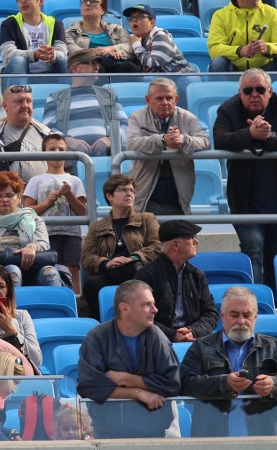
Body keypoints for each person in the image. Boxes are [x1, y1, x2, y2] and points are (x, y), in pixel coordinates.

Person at [180, 286, 277, 437]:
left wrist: (275, 385)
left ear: (255, 317)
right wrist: (224, 384)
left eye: (247, 315)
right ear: (222, 315)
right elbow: (184, 384)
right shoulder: (201, 347)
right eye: (234, 315)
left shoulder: (276, 348)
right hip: (213, 442)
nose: (241, 321)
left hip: (265, 443)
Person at [214, 68, 277, 290]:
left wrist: (268, 136)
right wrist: (250, 135)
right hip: (245, 201)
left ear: (270, 91)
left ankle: (276, 304)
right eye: (248, 90)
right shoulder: (227, 109)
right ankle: (256, 302)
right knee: (253, 249)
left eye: (260, 89)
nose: (254, 94)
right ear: (240, 92)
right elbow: (220, 140)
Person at [77, 280, 181, 438]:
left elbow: (172, 384)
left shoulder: (157, 336)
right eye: (146, 304)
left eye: (153, 304)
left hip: (154, 433)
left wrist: (129, 379)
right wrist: (137, 393)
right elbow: (89, 387)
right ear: (124, 308)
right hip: (108, 434)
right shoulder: (97, 337)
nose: (155, 310)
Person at [80, 174, 161, 321]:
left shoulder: (147, 219)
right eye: (123, 190)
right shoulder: (97, 227)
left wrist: (134, 257)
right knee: (92, 284)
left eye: (132, 191)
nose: (129, 194)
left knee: (135, 268)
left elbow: (157, 246)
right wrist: (106, 263)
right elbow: (87, 257)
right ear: (109, 196)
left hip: (138, 270)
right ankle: (98, 326)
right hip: (110, 272)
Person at [127, 78, 209, 216]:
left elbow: (205, 142)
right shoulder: (136, 117)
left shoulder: (188, 118)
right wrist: (163, 140)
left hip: (179, 201)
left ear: (176, 99)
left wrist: (182, 140)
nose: (165, 103)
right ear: (148, 100)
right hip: (146, 200)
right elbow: (132, 142)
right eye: (159, 98)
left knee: (183, 238)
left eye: (169, 98)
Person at [0, 171, 61, 288]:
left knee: (50, 272)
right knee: (12, 271)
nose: (4, 199)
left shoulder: (35, 220)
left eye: (9, 195)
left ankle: (54, 306)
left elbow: (43, 243)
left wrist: (32, 247)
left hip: (34, 270)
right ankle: (12, 306)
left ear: (19, 197)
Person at [0, 85, 50, 211]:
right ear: (5, 106)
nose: (25, 106)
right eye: (19, 101)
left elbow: (66, 172)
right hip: (6, 216)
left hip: (46, 213)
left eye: (29, 101)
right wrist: (6, 188)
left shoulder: (49, 136)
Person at [135, 220, 219, 343]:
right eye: (191, 237)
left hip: (194, 341)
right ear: (175, 245)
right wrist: (172, 335)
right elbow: (141, 316)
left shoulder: (197, 275)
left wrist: (192, 331)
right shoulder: (146, 275)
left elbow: (210, 313)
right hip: (157, 343)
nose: (196, 241)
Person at [23, 134, 87, 292]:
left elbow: (83, 212)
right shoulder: (36, 180)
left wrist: (69, 195)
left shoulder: (75, 180)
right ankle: (54, 298)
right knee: (50, 269)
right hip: (45, 235)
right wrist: (48, 203)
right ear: (44, 153)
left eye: (61, 149)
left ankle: (75, 301)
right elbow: (28, 211)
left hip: (71, 234)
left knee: (72, 268)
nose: (57, 152)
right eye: (52, 149)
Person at [41, 49, 129, 155]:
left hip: (108, 155)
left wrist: (110, 139)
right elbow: (47, 129)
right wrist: (67, 141)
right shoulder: (55, 97)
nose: (97, 67)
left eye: (97, 63)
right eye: (91, 63)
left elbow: (125, 125)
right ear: (75, 68)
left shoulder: (108, 94)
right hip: (71, 157)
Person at [123, 4, 202, 101]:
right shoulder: (137, 39)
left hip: (181, 75)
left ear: (152, 22)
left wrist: (136, 46)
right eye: (131, 18)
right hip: (164, 77)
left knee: (186, 83)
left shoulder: (159, 35)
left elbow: (154, 64)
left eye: (139, 17)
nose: (134, 21)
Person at [0, 0, 68, 84]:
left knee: (64, 61)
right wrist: (35, 54)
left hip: (49, 73)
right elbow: (8, 54)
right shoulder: (9, 24)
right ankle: (19, 96)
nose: (22, 1)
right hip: (19, 72)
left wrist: (52, 55)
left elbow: (62, 52)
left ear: (40, 1)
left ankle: (68, 97)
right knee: (18, 61)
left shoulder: (55, 24)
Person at [65, 0, 138, 74]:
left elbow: (129, 47)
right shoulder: (70, 32)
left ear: (103, 10)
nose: (88, 4)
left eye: (93, 1)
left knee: (129, 67)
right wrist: (97, 54)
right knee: (97, 67)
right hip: (89, 69)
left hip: (117, 68)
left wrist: (110, 49)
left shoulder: (116, 29)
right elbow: (72, 51)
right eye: (84, 1)